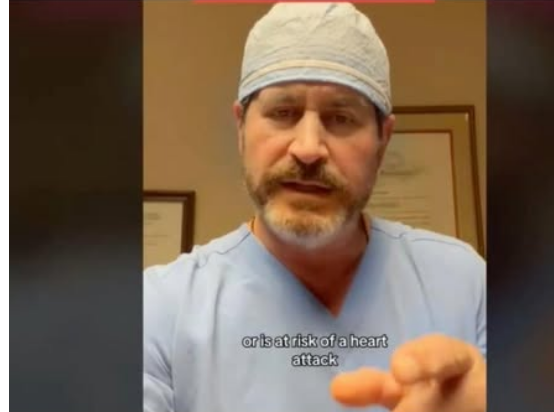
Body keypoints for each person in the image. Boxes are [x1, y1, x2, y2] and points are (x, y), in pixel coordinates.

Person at [144, 3, 486, 412]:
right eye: (282, 113)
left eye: (341, 117)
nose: (308, 149)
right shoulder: (160, 310)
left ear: (383, 141)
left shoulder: (465, 284)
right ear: (241, 129)